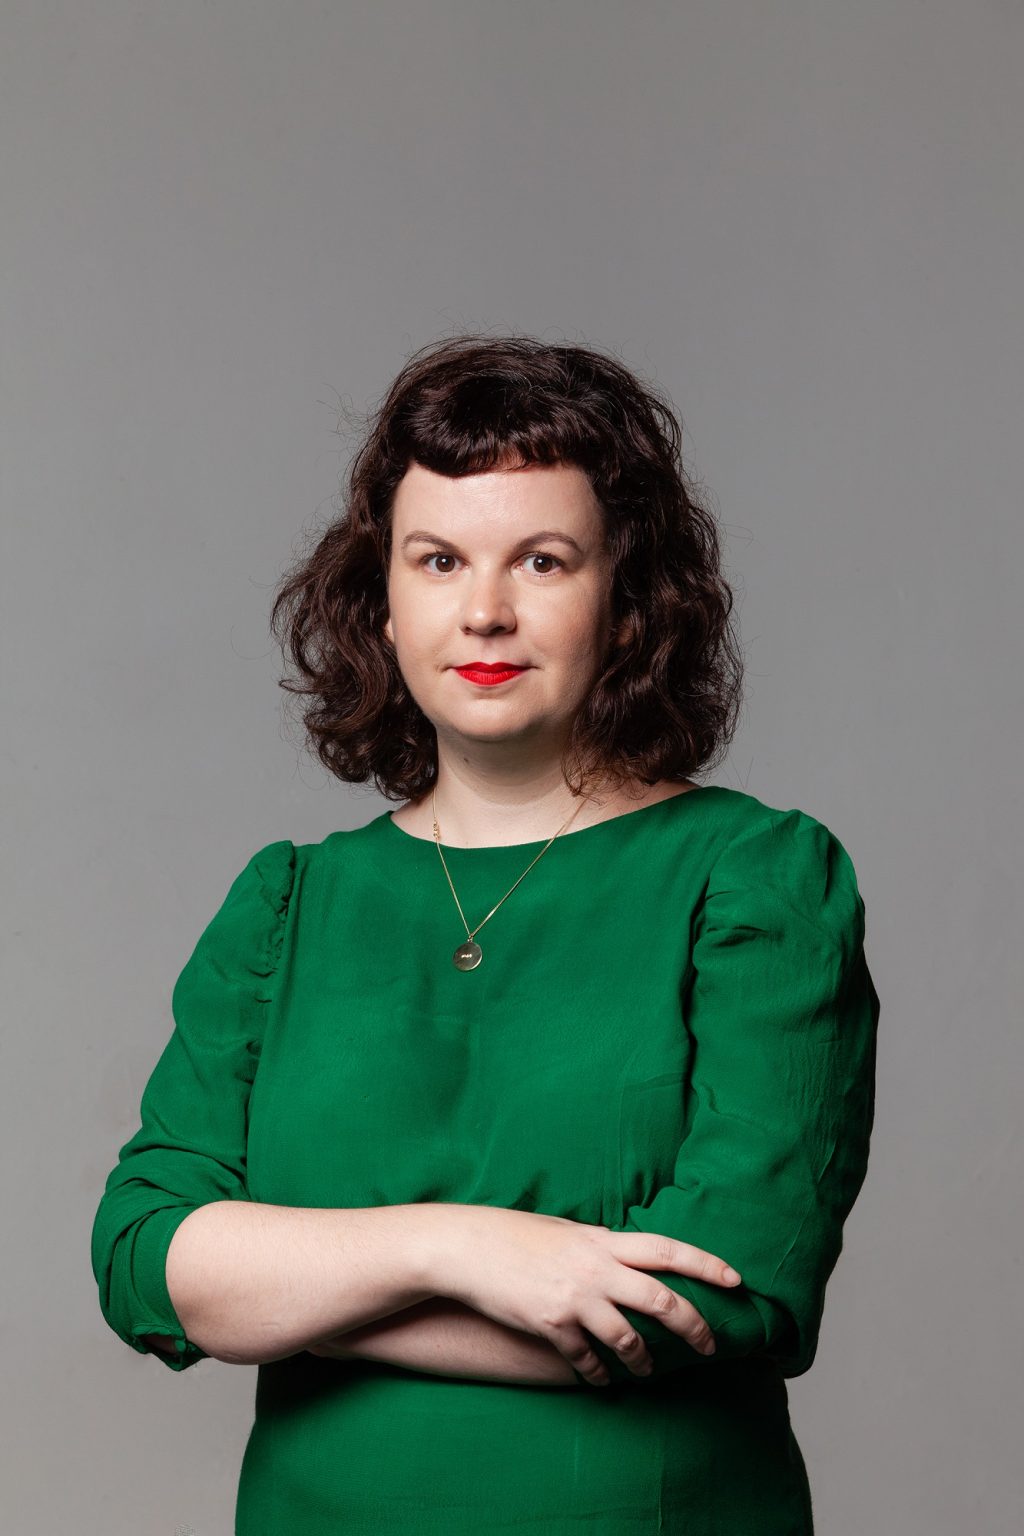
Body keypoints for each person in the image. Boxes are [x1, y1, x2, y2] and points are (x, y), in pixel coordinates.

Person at [91, 333, 880, 1535]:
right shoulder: (288, 903)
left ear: (628, 602)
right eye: (438, 559)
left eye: (543, 561)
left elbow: (728, 1292)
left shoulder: (756, 877)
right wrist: (459, 1250)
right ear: (383, 600)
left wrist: (297, 1300)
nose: (484, 611)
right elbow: (145, 1257)